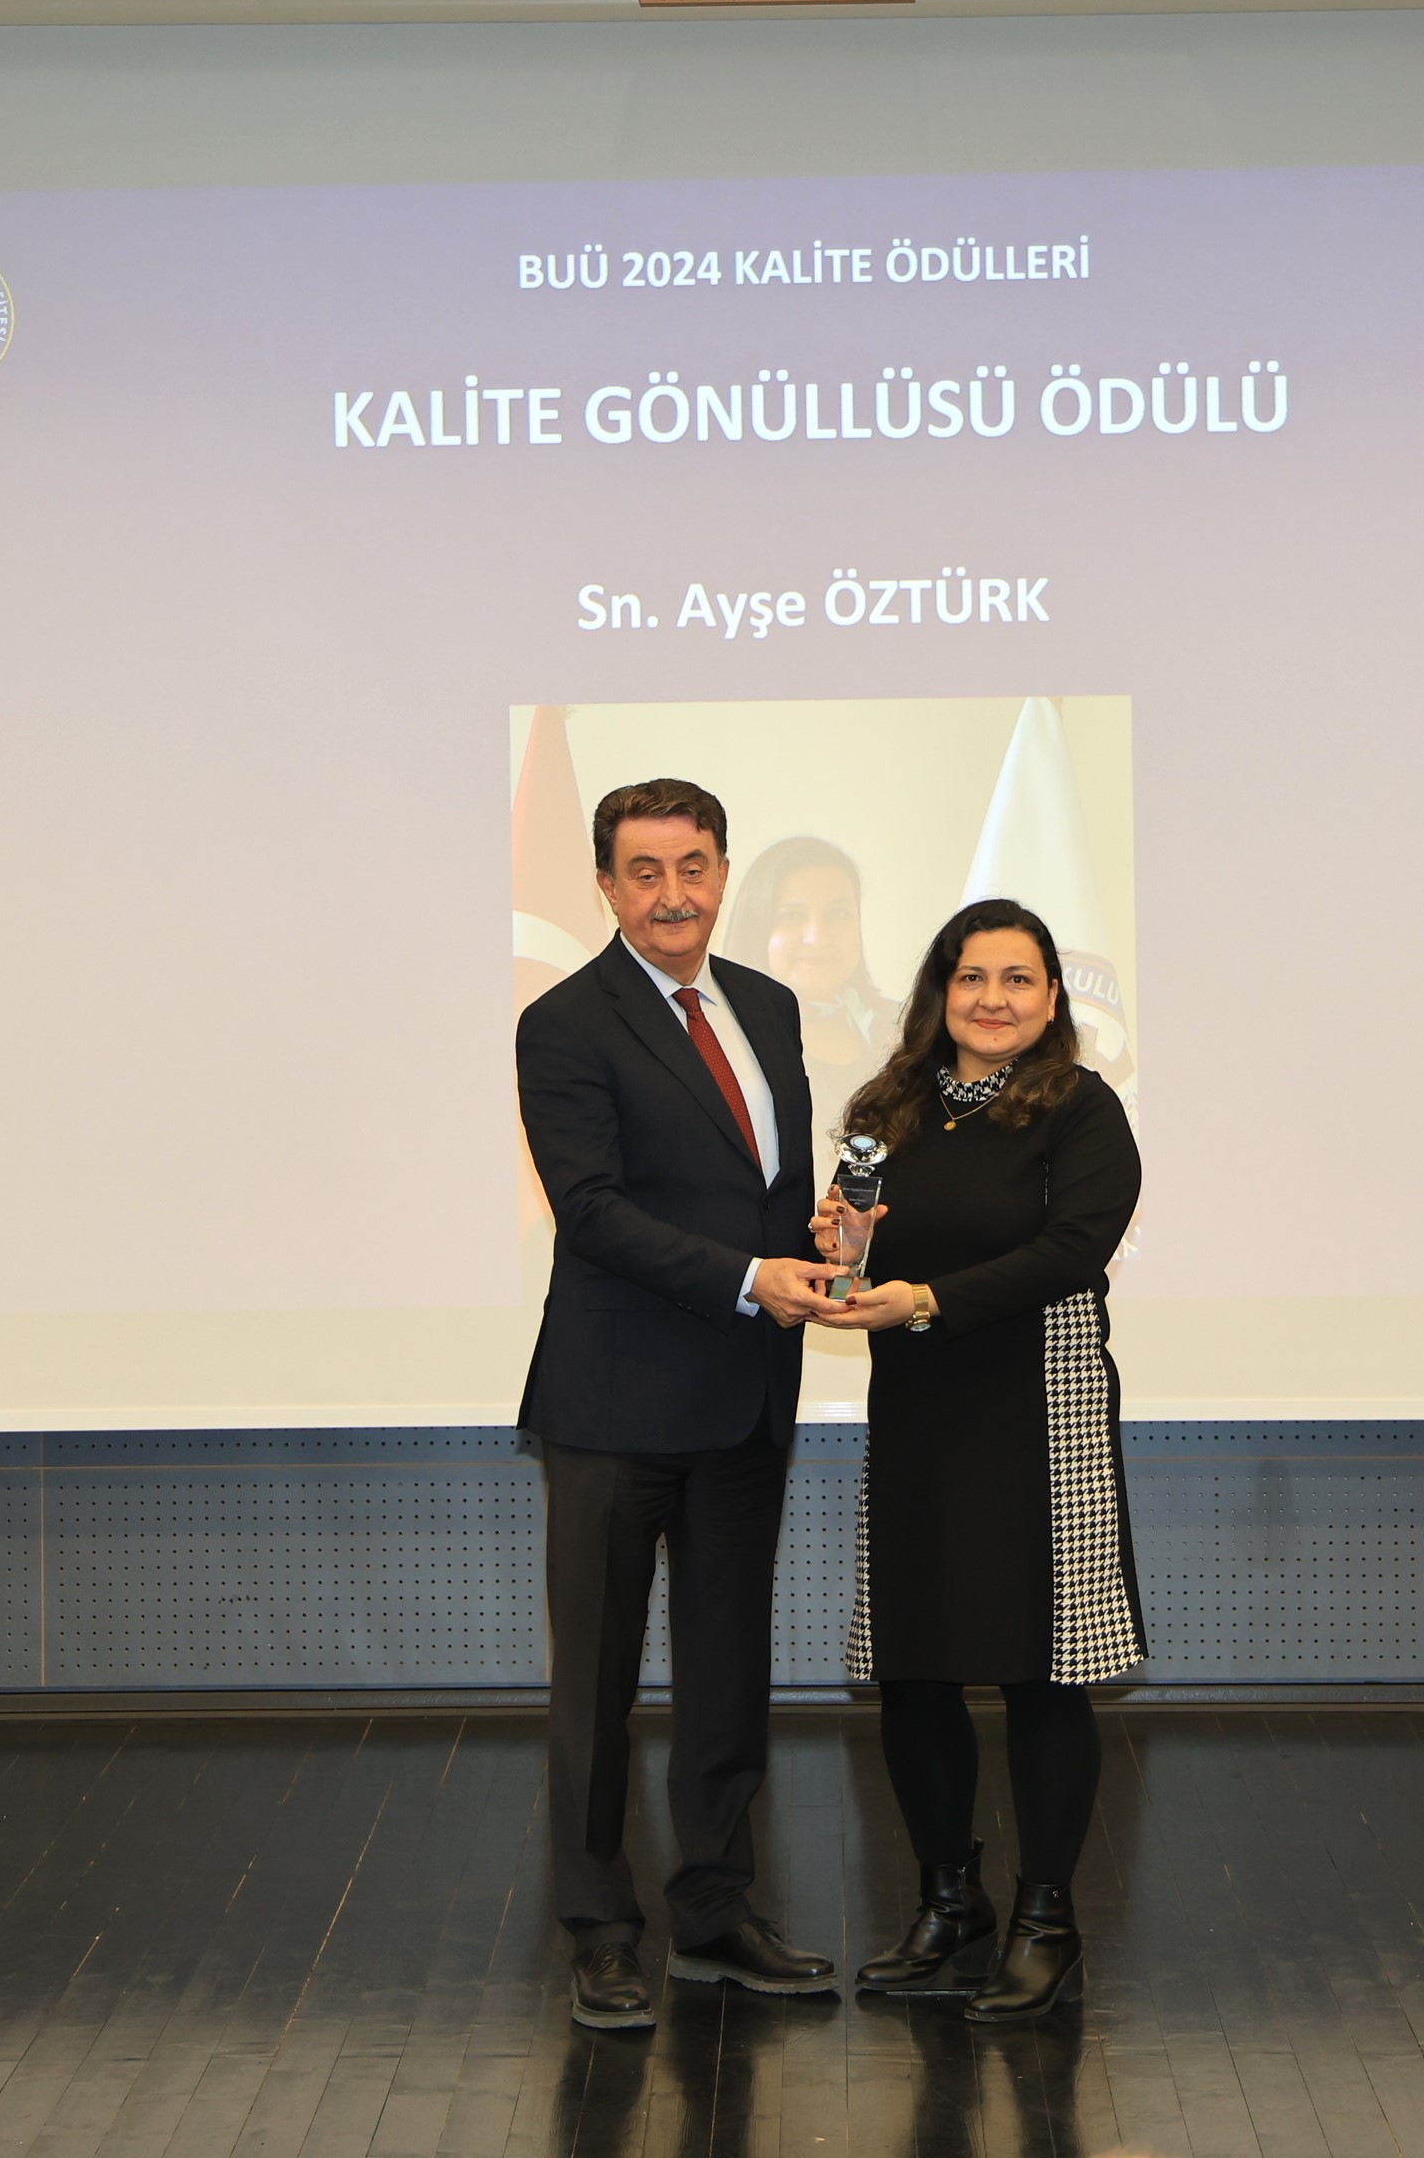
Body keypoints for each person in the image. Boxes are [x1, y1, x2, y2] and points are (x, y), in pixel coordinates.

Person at [516, 777, 849, 2030]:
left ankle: (714, 1914)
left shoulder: (767, 1004)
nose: (673, 894)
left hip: (743, 1397)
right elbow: (592, 1211)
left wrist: (824, 1240)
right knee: (596, 1690)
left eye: (693, 866)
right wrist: (751, 1276)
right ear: (606, 885)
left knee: (726, 1675)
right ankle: (601, 1932)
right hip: (614, 1405)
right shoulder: (563, 1022)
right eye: (645, 871)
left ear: (721, 871)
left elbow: (767, 1191)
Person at [810, 898, 1144, 2023]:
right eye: (971, 977)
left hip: (1040, 1412)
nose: (992, 999)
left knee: (1042, 1670)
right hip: (921, 1406)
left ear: (1051, 999)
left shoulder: (1081, 1108)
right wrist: (846, 1251)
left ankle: (1047, 1921)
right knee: (913, 1666)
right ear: (938, 992)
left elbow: (1072, 1251)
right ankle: (949, 1903)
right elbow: (865, 1254)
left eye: (1017, 979)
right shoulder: (886, 1110)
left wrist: (925, 1299)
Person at [725, 834, 897, 1131]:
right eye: (792, 916)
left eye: (838, 914)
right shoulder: (722, 1038)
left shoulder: (902, 1028)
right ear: (756, 928)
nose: (818, 937)